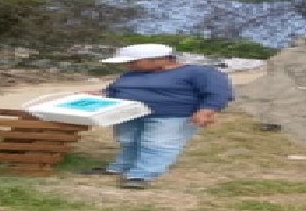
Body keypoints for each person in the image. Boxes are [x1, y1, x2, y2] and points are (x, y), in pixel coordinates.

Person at [78, 43, 233, 189]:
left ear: (159, 59)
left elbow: (218, 93)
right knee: (128, 140)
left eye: (133, 62)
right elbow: (115, 90)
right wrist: (101, 94)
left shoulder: (199, 73)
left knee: (156, 144)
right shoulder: (132, 74)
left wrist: (206, 111)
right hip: (129, 114)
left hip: (171, 116)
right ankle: (120, 167)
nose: (128, 65)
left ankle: (140, 175)